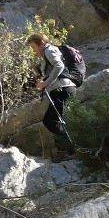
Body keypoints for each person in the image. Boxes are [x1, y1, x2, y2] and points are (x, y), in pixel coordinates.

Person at [27, 33, 74, 162]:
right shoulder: (47, 53)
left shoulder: (49, 50)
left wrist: (46, 83)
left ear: (41, 42)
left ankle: (67, 149)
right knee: (56, 119)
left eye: (33, 47)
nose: (33, 50)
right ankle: (66, 149)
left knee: (50, 120)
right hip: (61, 88)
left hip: (62, 88)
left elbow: (59, 66)